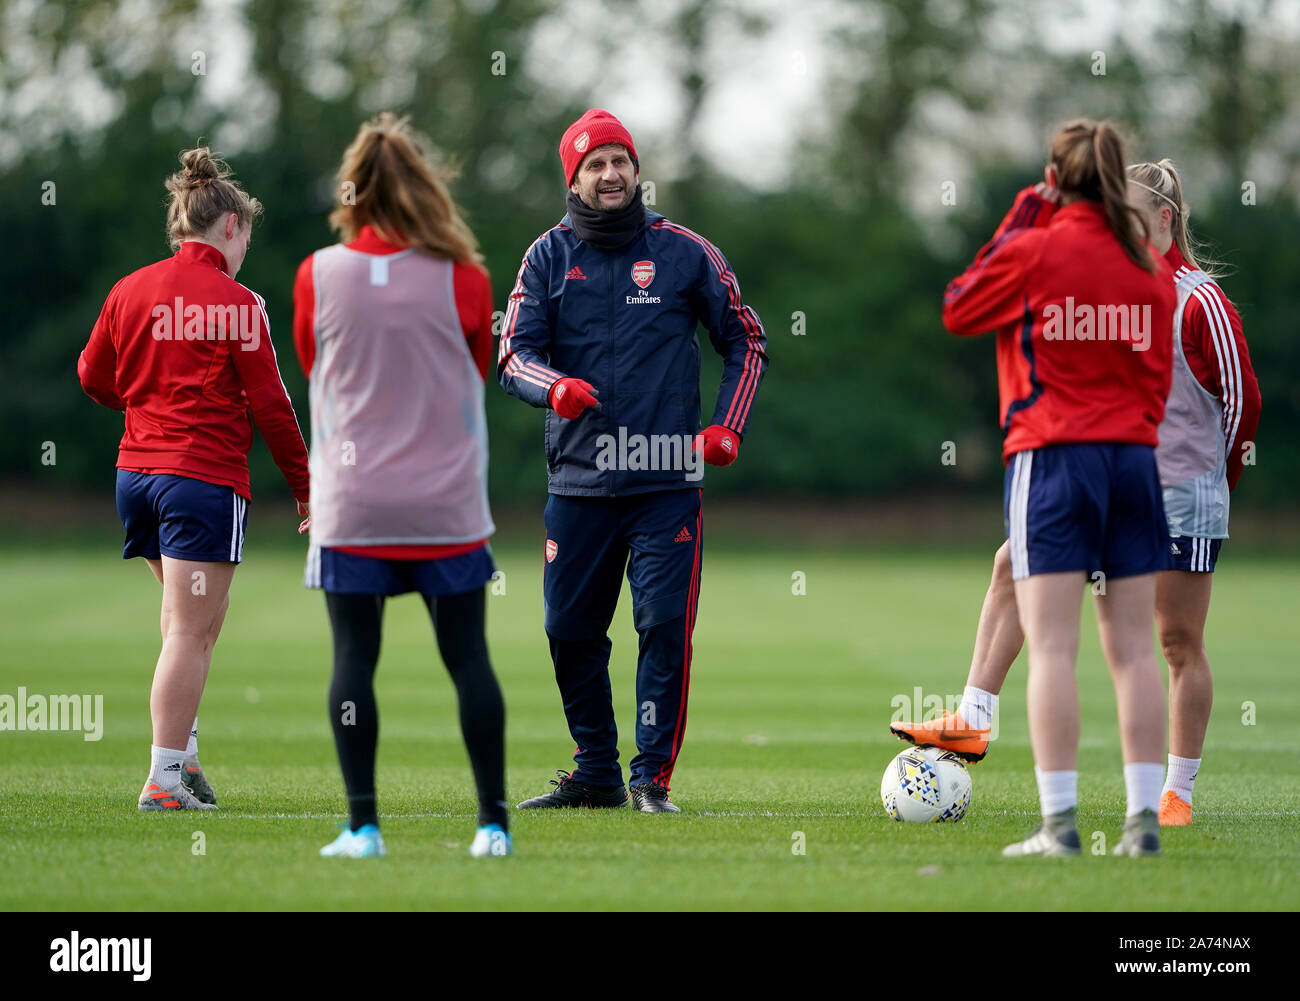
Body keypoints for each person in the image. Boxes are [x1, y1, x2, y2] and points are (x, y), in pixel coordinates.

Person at [891, 158, 1261, 830]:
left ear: (1164, 219)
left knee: (1174, 642)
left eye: (1126, 215)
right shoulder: (1105, 284)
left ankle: (1173, 793)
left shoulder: (1198, 299)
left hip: (1179, 495)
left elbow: (1242, 404)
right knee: (1012, 565)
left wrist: (1214, 483)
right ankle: (973, 719)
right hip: (1104, 481)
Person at [499, 108, 768, 813]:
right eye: (595, 164)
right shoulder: (546, 257)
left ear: (637, 168)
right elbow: (511, 355)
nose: (610, 173)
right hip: (579, 482)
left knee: (662, 624)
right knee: (567, 629)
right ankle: (595, 771)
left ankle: (651, 778)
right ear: (575, 178)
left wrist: (726, 427)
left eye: (620, 160)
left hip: (666, 482)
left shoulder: (686, 252)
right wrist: (551, 385)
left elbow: (746, 339)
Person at [936, 119, 1177, 857]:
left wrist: (1021, 214)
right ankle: (1142, 825)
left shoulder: (1034, 249)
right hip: (1135, 459)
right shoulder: (1146, 266)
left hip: (1053, 456)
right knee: (1135, 649)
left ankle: (1061, 825)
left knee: (1054, 651)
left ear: (1056, 177)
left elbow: (959, 306)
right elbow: (1158, 376)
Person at [294, 113, 510, 858]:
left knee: (354, 659)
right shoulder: (468, 278)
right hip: (445, 505)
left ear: (353, 189)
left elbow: (315, 367)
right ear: (426, 187)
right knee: (469, 659)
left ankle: (362, 827)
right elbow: (475, 373)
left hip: (353, 504)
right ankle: (493, 826)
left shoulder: (316, 273)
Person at [78, 147, 311, 812]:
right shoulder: (239, 302)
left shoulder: (129, 288)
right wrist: (307, 488)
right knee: (191, 629)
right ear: (230, 227)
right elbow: (272, 406)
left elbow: (93, 376)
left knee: (189, 621)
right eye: (247, 239)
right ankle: (165, 778)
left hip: (135, 478)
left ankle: (186, 759)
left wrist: (147, 400)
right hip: (199, 480)